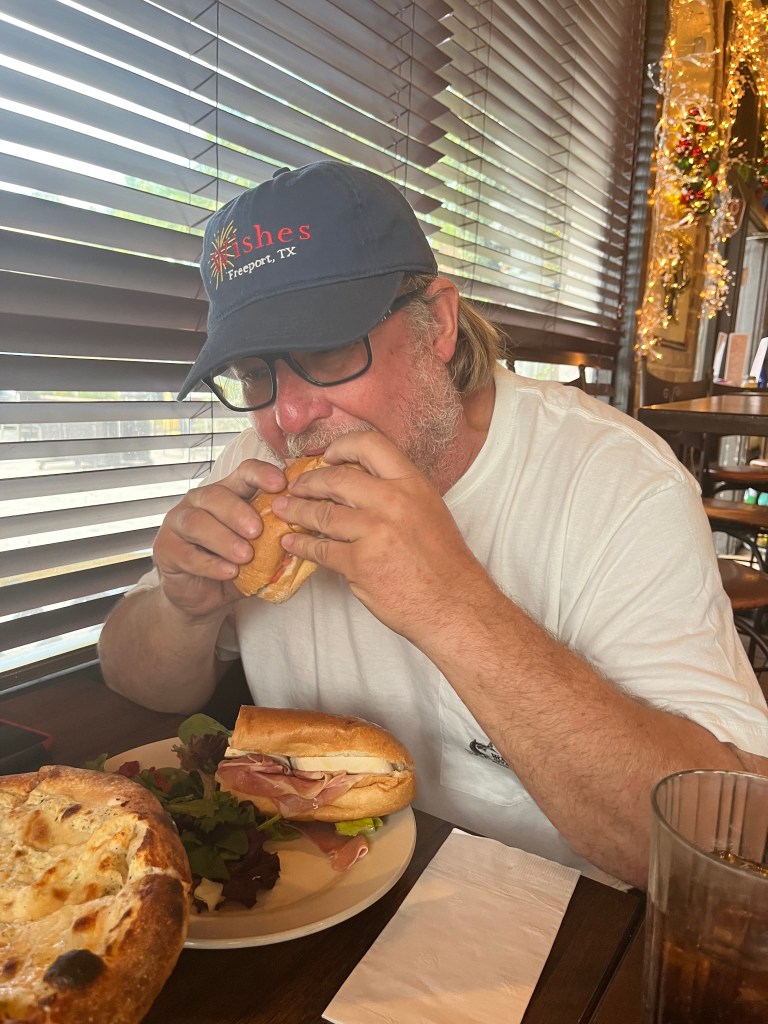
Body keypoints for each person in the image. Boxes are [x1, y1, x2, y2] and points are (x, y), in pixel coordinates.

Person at [99, 160, 768, 888]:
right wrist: (183, 610)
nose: (288, 416)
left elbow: (726, 842)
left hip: (561, 917)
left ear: (438, 323)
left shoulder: (614, 481)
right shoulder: (255, 460)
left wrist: (450, 605)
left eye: (326, 351)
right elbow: (138, 681)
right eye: (254, 375)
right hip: (319, 888)